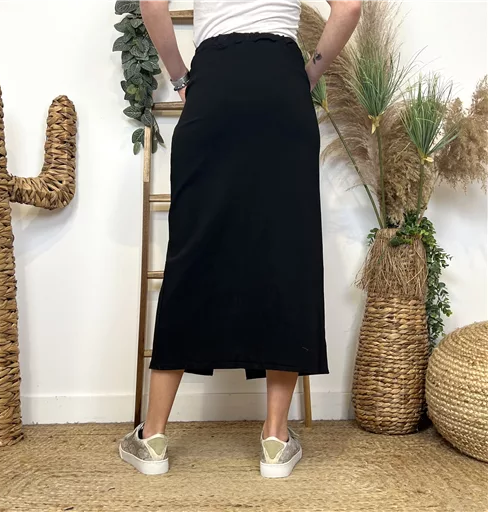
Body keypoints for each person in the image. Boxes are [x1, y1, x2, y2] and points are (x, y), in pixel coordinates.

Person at [119, 0, 361, 478]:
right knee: (285, 251)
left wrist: (181, 78)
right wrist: (308, 74)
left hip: (215, 82)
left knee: (193, 249)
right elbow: (349, 7)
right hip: (282, 85)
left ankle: (153, 437)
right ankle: (275, 439)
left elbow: (151, 4)